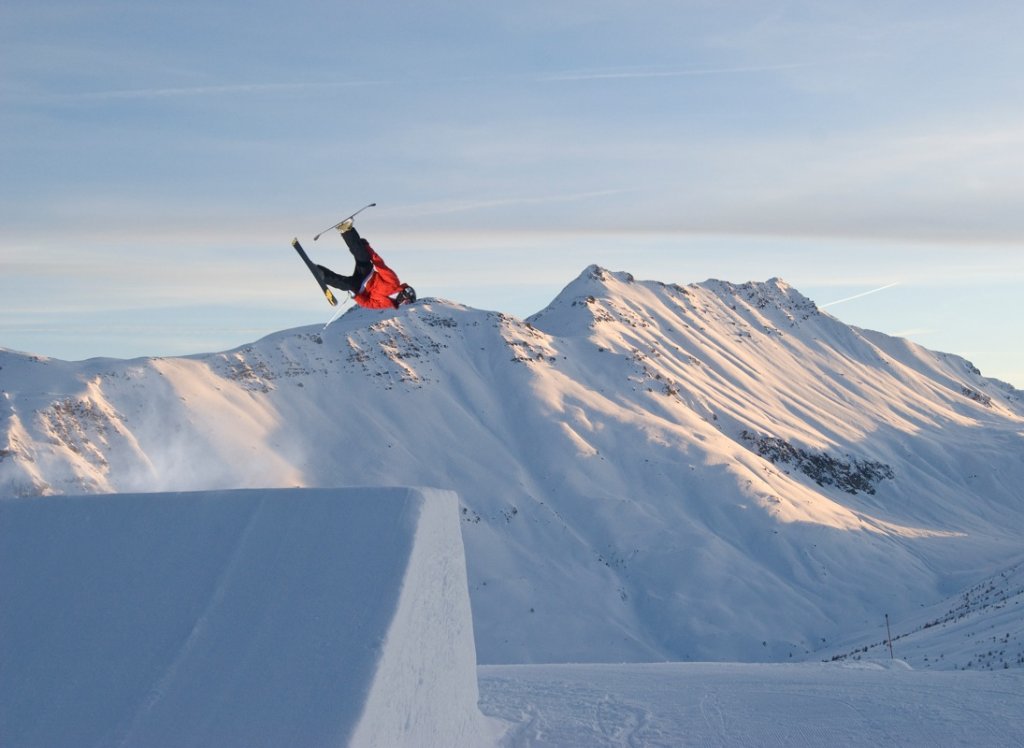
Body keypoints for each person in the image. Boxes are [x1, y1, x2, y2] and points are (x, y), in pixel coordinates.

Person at [316, 220, 416, 309]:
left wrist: (356, 296)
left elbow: (368, 303)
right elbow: (379, 264)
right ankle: (346, 231)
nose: (404, 304)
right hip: (367, 274)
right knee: (363, 256)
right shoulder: (393, 282)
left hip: (360, 288)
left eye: (406, 304)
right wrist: (367, 247)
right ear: (405, 293)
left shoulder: (387, 304)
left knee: (347, 285)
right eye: (406, 301)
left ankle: (322, 274)